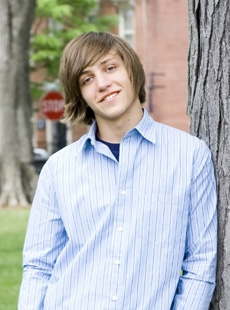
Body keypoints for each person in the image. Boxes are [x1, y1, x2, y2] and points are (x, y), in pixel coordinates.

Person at [18, 31, 217, 310]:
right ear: (81, 95)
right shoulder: (58, 169)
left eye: (110, 67)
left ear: (131, 71)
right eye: (87, 79)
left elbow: (200, 262)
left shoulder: (190, 156)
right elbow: (39, 267)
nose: (102, 83)